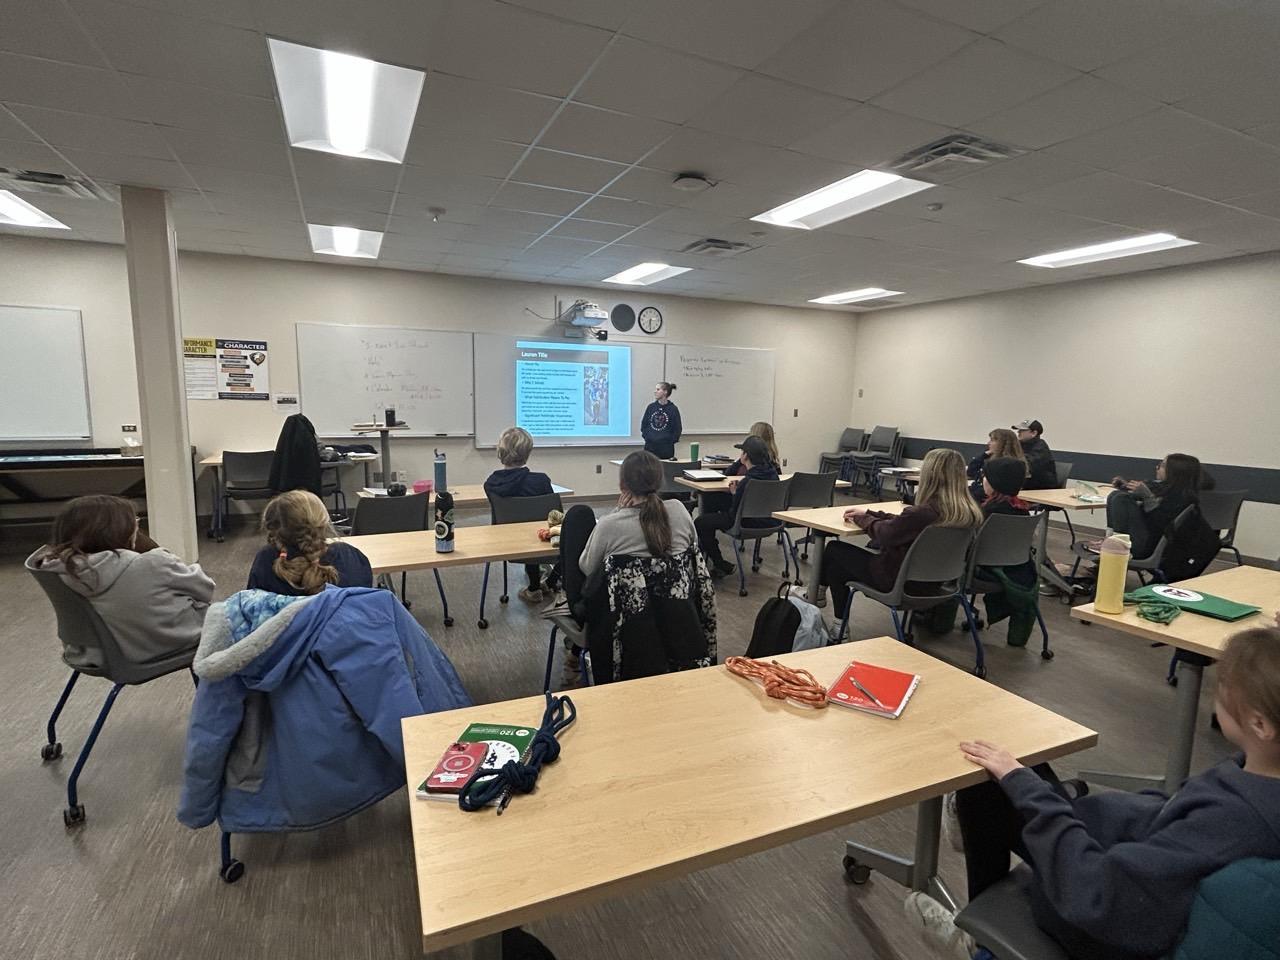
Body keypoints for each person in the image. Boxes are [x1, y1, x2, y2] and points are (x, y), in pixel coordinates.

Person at [910, 625, 1280, 960]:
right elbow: (1173, 823)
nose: (1216, 695)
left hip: (1101, 917)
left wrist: (1027, 787)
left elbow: (1097, 893)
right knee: (1020, 773)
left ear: (1260, 725)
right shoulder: (1257, 780)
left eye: (1224, 690)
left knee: (991, 786)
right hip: (1134, 867)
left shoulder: (1232, 821)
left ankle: (982, 943)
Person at [25, 494, 215, 667]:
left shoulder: (57, 567)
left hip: (94, 653)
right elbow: (205, 589)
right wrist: (155, 550)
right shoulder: (152, 562)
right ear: (121, 530)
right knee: (228, 613)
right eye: (134, 522)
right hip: (156, 646)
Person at [819, 448, 982, 617]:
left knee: (835, 550)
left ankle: (819, 598)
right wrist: (871, 514)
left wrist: (863, 519)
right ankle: (835, 620)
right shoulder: (968, 514)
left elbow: (886, 535)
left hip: (899, 582)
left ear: (930, 476)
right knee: (837, 566)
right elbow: (903, 523)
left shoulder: (921, 514)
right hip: (937, 585)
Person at [579, 451, 698, 578]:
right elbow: (694, 547)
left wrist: (618, 511)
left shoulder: (609, 525)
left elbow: (588, 568)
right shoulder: (679, 510)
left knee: (578, 515)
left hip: (624, 591)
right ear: (660, 482)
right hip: (678, 589)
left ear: (622, 485)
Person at [247, 490, 372, 596]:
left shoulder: (266, 560)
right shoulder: (349, 555)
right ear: (323, 521)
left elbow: (250, 608)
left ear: (272, 529)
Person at [483, 426, 556, 603]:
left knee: (526, 530)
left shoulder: (491, 484)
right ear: (527, 452)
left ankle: (534, 589)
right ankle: (550, 582)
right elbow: (553, 516)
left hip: (506, 541)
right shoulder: (541, 481)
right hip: (541, 539)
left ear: (500, 452)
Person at [694, 435, 780, 577]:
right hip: (771, 521)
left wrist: (735, 493)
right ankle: (708, 551)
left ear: (745, 456)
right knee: (712, 499)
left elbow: (734, 514)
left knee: (701, 522)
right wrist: (735, 493)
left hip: (745, 522)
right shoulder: (774, 475)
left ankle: (719, 563)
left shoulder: (747, 482)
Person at [1106, 453, 1204, 560]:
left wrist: (1148, 498)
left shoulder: (1184, 498)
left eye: (1162, 465)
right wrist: (1125, 486)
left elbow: (1161, 525)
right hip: (1143, 537)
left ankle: (1116, 545)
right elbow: (1140, 494)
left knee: (1121, 498)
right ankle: (1110, 540)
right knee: (1115, 495)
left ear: (1174, 472)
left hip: (1152, 545)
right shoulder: (1162, 487)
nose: (1157, 467)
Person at [967, 428, 1026, 501]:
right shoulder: (989, 458)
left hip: (988, 498)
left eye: (992, 440)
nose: (988, 443)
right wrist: (984, 455)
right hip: (977, 492)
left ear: (1003, 443)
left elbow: (992, 490)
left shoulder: (1009, 465)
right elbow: (970, 472)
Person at [640, 381, 682, 460]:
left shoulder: (673, 409)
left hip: (666, 449)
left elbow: (677, 429)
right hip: (650, 447)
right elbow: (644, 425)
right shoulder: (651, 407)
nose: (655, 391)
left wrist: (669, 441)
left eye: (658, 389)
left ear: (665, 392)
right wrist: (648, 438)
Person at [1013, 418, 1057, 489]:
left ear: (1033, 433)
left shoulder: (1041, 447)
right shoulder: (1020, 444)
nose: (1018, 432)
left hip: (1040, 488)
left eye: (1022, 430)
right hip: (1025, 485)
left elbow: (1027, 464)